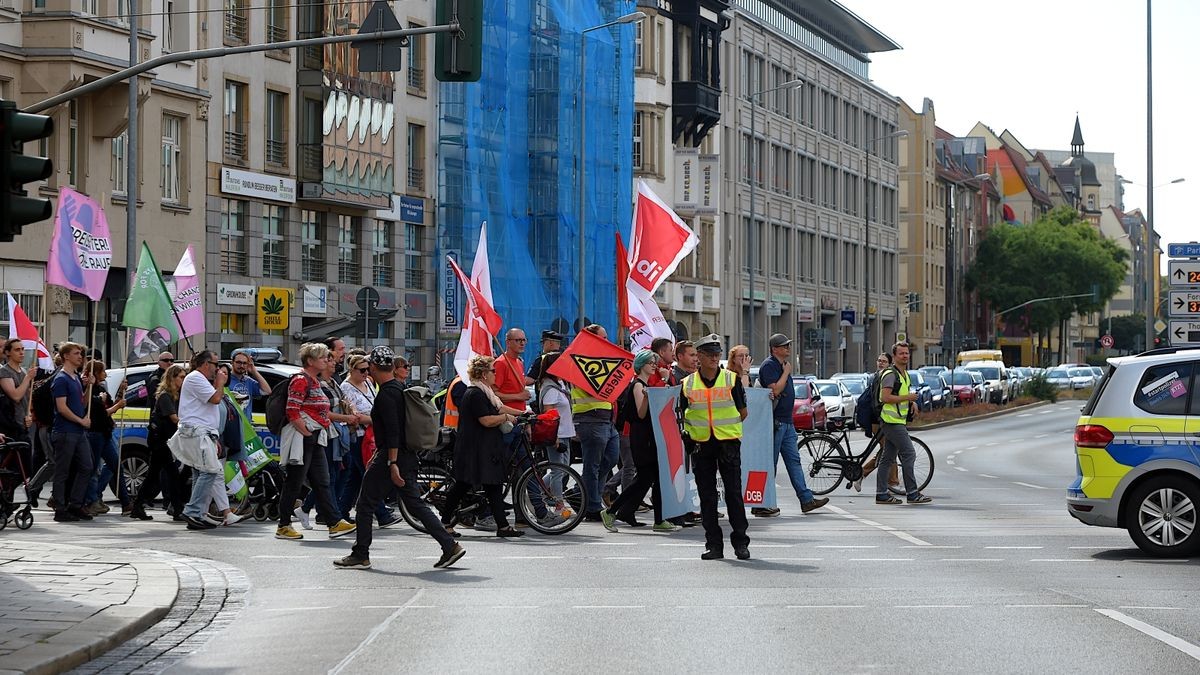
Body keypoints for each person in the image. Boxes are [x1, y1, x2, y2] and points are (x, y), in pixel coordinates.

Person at [335, 347, 466, 569]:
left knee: (365, 504)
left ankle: (360, 554)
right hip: (405, 455)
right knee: (414, 503)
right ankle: (449, 545)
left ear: (375, 367)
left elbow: (394, 431)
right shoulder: (397, 387)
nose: (367, 372)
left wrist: (392, 463)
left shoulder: (387, 393)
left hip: (391, 456)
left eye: (369, 368)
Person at [274, 342, 356, 540]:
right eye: (322, 358)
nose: (327, 360)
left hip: (314, 437)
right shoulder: (301, 380)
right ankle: (283, 525)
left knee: (323, 481)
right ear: (310, 361)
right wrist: (307, 433)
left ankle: (334, 522)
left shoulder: (314, 380)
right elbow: (292, 410)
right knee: (294, 482)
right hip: (305, 437)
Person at [680, 335, 750, 560]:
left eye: (717, 354)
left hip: (727, 443)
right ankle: (714, 545)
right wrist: (689, 437)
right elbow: (682, 414)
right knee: (707, 497)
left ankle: (741, 543)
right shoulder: (687, 384)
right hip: (701, 445)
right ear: (699, 356)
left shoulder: (731, 379)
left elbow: (742, 412)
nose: (714, 357)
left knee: (733, 495)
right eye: (709, 353)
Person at [439, 355, 524, 538]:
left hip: (483, 448)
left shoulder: (486, 393)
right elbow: (486, 420)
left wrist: (524, 413)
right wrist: (506, 419)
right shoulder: (475, 393)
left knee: (493, 485)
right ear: (484, 374)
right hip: (473, 449)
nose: (496, 374)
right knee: (462, 485)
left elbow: (499, 408)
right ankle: (445, 522)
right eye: (493, 371)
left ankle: (502, 526)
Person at [601, 350, 678, 532]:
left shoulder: (644, 385)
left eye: (655, 362)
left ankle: (658, 519)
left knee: (652, 478)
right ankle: (612, 511)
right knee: (644, 479)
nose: (654, 365)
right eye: (650, 362)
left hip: (648, 435)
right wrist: (651, 393)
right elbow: (641, 413)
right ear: (641, 364)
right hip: (642, 437)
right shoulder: (637, 385)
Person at [754, 333, 828, 518]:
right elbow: (774, 389)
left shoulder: (780, 365)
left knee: (794, 462)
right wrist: (787, 372)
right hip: (775, 422)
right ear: (774, 349)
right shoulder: (770, 365)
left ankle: (806, 500)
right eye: (784, 345)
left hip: (786, 422)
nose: (788, 348)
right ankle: (761, 503)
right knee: (769, 464)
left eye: (788, 345)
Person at [173, 351, 244, 530]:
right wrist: (219, 383)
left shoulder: (199, 379)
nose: (217, 368)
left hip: (203, 433)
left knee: (201, 472)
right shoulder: (196, 378)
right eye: (215, 364)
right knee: (210, 472)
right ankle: (193, 510)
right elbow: (215, 399)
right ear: (205, 364)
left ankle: (198, 514)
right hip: (197, 433)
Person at [339, 354, 396, 526]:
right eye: (362, 370)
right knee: (368, 474)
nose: (366, 373)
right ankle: (382, 514)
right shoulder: (346, 388)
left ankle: (340, 512)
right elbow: (354, 415)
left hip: (371, 435)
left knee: (356, 477)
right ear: (352, 369)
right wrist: (378, 419)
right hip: (358, 436)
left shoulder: (369, 383)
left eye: (368, 369)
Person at [571, 324, 620, 520]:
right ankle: (592, 507)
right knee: (593, 465)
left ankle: (581, 493)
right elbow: (597, 388)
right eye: (603, 338)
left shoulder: (601, 361)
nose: (607, 342)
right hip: (589, 418)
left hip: (605, 419)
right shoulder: (579, 361)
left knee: (611, 459)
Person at [875, 342, 933, 505]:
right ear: (894, 356)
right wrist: (908, 398)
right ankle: (912, 493)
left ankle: (881, 494)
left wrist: (911, 403)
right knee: (909, 454)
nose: (905, 356)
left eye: (907, 353)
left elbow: (902, 393)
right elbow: (885, 398)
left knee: (887, 458)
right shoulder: (890, 374)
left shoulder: (904, 374)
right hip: (891, 421)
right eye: (901, 353)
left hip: (897, 420)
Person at [129, 364, 186, 520]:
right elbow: (173, 418)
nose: (183, 380)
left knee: (157, 475)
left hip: (164, 440)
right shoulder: (165, 396)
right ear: (172, 378)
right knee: (167, 475)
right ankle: (176, 509)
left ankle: (139, 506)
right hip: (160, 441)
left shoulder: (174, 395)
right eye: (181, 377)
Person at [49, 342, 95, 522]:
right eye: (76, 353)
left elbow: (82, 403)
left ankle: (75, 504)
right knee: (63, 470)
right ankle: (60, 508)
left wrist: (89, 387)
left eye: (81, 354)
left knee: (87, 466)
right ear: (66, 356)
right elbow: (62, 408)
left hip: (77, 431)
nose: (80, 357)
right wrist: (81, 420)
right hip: (65, 431)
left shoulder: (75, 377)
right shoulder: (61, 379)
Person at [83, 360, 128, 515]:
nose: (106, 374)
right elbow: (99, 413)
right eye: (103, 371)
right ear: (95, 373)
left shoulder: (102, 388)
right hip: (95, 434)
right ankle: (90, 500)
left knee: (116, 465)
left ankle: (126, 503)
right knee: (93, 469)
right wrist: (117, 406)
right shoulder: (89, 390)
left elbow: (109, 406)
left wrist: (121, 393)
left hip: (105, 433)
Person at [856, 352, 898, 492]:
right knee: (889, 449)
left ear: (890, 364)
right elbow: (879, 401)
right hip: (877, 420)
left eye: (884, 361)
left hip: (880, 419)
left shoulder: (882, 377)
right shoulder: (878, 377)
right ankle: (893, 482)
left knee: (886, 450)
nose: (880, 363)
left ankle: (862, 473)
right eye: (879, 360)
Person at [0, 339, 34, 444]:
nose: (21, 352)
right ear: (8, 352)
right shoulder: (4, 372)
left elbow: (28, 398)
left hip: (24, 425)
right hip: (11, 425)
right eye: (17, 350)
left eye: (23, 349)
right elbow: (15, 396)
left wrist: (29, 414)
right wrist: (28, 378)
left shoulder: (24, 371)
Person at [494, 328, 531, 412]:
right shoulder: (501, 363)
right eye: (518, 340)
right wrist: (518, 396)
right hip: (507, 418)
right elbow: (493, 394)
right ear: (508, 343)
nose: (522, 343)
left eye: (524, 340)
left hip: (520, 416)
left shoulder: (519, 362)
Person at [228, 350, 271, 418]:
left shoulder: (248, 381)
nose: (241, 365)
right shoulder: (225, 379)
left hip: (246, 425)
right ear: (232, 363)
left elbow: (267, 391)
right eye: (238, 362)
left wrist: (254, 371)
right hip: (230, 423)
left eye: (244, 363)